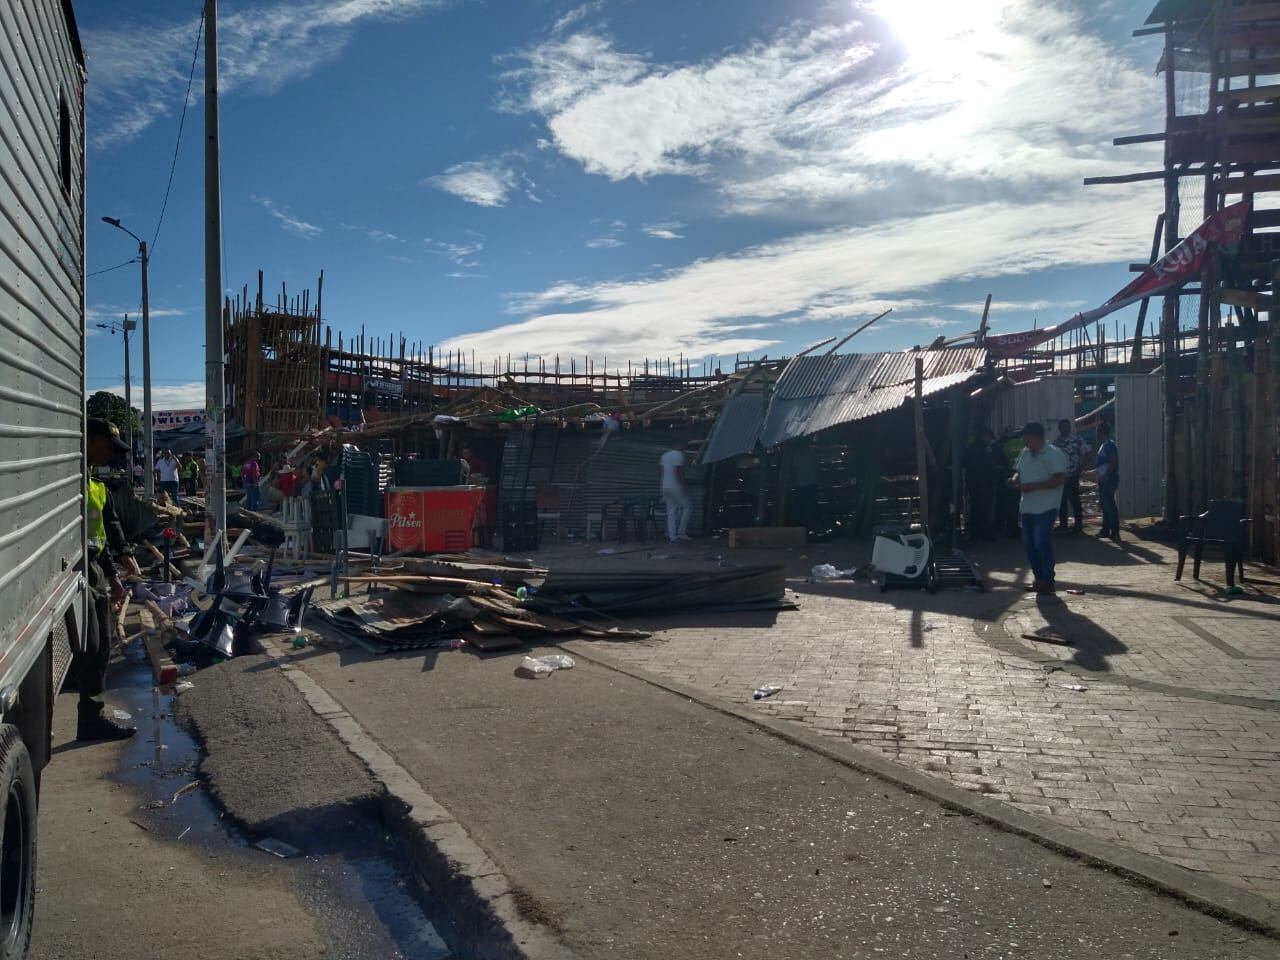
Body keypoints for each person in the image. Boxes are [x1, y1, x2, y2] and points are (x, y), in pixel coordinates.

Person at [81, 419, 140, 741]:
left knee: (99, 647)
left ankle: (90, 717)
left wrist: (114, 570)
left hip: (94, 569)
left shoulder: (95, 484)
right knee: (95, 647)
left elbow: (103, 530)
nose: (111, 455)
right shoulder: (71, 482)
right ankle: (89, 719)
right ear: (90, 440)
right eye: (107, 447)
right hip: (79, 570)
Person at [1010, 421, 1068, 595]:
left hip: (1047, 507)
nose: (1023, 441)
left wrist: (1033, 486)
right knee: (1029, 545)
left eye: (1025, 437)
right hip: (1027, 507)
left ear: (1034, 437)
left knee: (1041, 542)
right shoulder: (1025, 453)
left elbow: (1059, 479)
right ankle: (1039, 578)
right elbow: (1018, 472)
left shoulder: (1054, 454)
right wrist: (1015, 480)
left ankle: (1048, 580)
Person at [1053, 419, 1090, 533]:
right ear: (1060, 428)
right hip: (1061, 477)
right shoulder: (1056, 443)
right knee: (1062, 501)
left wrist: (1080, 470)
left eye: (1067, 426)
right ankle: (1063, 525)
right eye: (1063, 427)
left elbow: (1087, 453)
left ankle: (1078, 526)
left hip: (1073, 475)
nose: (1065, 429)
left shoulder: (1077, 440)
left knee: (1075, 500)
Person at [963, 427, 997, 540]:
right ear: (986, 435)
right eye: (989, 437)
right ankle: (984, 533)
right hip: (983, 483)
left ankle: (976, 532)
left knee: (976, 507)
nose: (990, 440)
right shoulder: (982, 448)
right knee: (984, 508)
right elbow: (985, 466)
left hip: (974, 482)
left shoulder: (973, 446)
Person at [659, 439, 692, 543]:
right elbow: (679, 471)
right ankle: (681, 533)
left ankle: (672, 537)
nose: (684, 449)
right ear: (680, 445)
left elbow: (662, 473)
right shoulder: (679, 455)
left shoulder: (664, 456)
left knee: (671, 512)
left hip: (665, 487)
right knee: (688, 507)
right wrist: (684, 485)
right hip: (676, 486)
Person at [1095, 422, 1121, 542]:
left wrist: (1105, 476)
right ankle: (1105, 529)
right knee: (1106, 506)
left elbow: (1113, 461)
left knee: (1109, 506)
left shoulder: (1109, 445)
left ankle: (1115, 532)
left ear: (1100, 432)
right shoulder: (1105, 445)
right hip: (1105, 479)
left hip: (1108, 480)